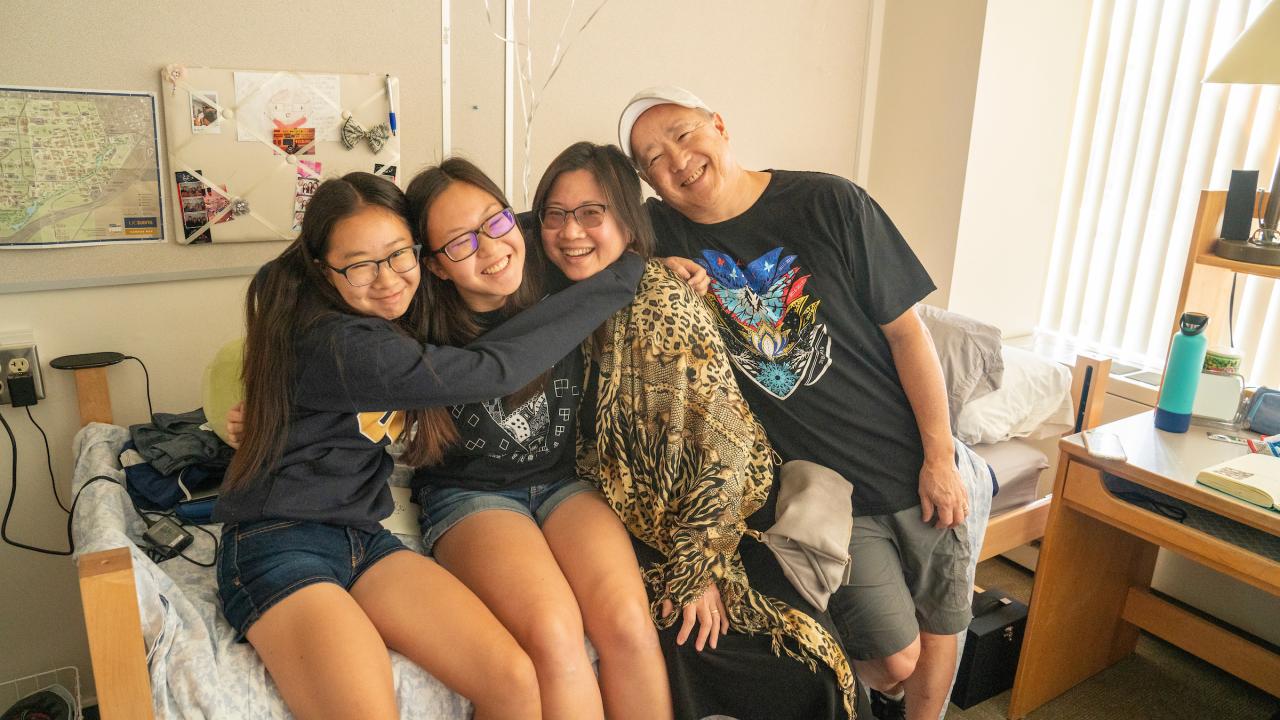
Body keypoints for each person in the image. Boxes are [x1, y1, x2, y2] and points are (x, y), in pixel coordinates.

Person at [618, 87, 994, 720]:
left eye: (684, 136)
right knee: (897, 661)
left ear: (720, 125)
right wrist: (655, 271)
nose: (677, 161)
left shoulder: (829, 201)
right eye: (653, 158)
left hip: (910, 458)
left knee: (944, 619)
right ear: (647, 181)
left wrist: (939, 454)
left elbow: (908, 333)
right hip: (824, 490)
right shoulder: (660, 233)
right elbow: (578, 244)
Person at [211, 171, 643, 720]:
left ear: (421, 252)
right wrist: (629, 268)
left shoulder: (378, 313)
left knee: (515, 681)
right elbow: (495, 369)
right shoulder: (345, 343)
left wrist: (574, 229)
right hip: (280, 541)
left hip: (364, 539)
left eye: (397, 255)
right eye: (359, 263)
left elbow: (482, 227)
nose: (386, 278)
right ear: (323, 268)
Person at [531, 141, 856, 720]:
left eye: (590, 213)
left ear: (627, 222)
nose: (570, 230)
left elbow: (724, 452)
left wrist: (695, 570)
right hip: (625, 514)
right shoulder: (564, 296)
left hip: (711, 515)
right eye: (555, 214)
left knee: (791, 664)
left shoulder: (659, 306)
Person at [403, 158, 672, 720]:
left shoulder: (559, 277)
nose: (489, 247)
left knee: (627, 619)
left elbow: (611, 240)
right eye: (458, 243)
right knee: (554, 631)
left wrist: (662, 266)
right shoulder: (411, 326)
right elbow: (325, 340)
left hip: (564, 484)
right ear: (435, 266)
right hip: (470, 496)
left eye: (495, 223)